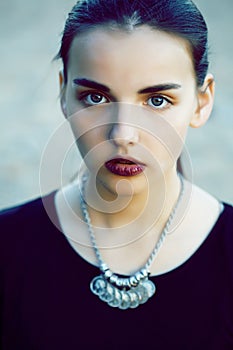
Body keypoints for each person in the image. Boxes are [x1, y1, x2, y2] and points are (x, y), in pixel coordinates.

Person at [0, 0, 232, 348]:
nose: (123, 134)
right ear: (63, 93)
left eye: (156, 101)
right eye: (95, 97)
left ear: (202, 102)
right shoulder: (7, 248)